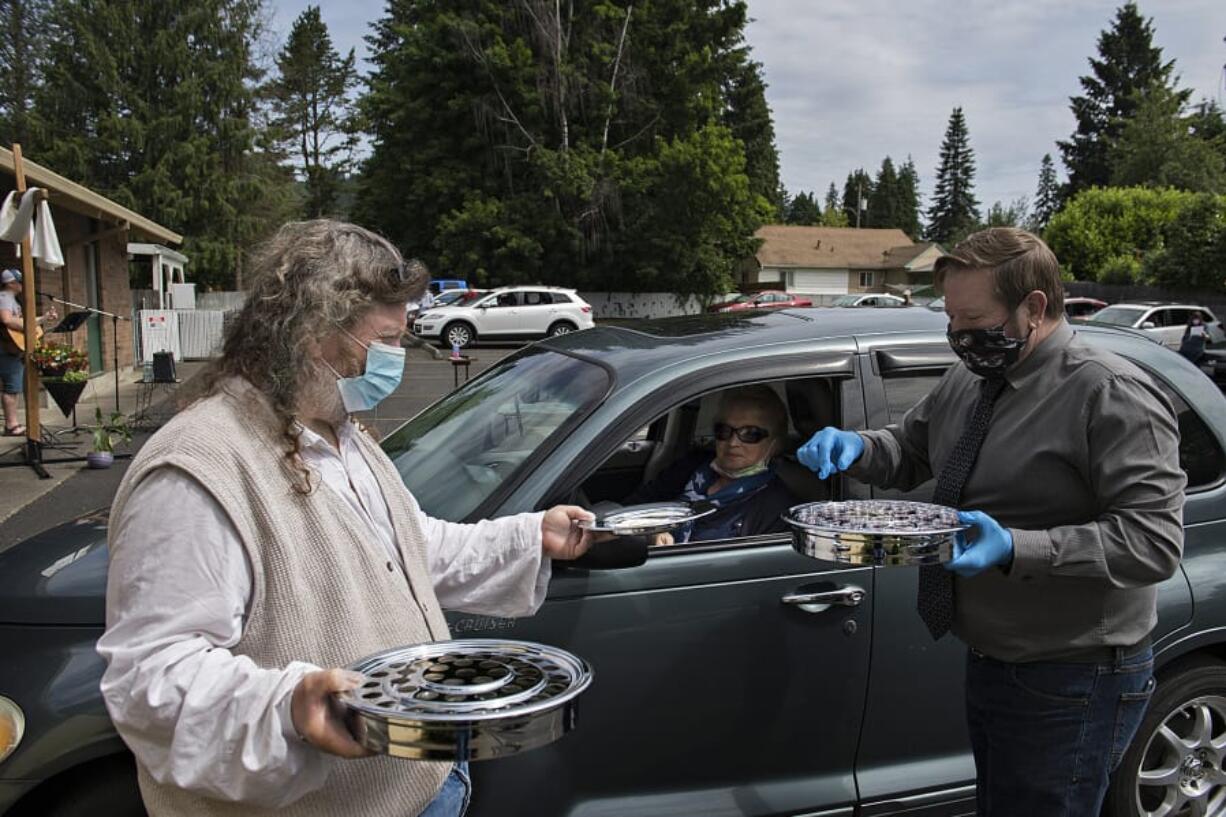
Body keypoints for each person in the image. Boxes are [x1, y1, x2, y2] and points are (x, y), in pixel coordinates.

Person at [97, 220, 595, 817]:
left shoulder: (338, 434)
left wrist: (529, 537)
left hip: (421, 784)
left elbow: (410, 549)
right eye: (385, 339)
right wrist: (287, 707)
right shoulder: (198, 469)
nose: (396, 358)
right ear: (312, 330)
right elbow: (152, 680)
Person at [797, 227, 1184, 816]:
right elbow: (913, 450)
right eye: (951, 318)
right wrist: (858, 446)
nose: (957, 335)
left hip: (1074, 674)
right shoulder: (974, 376)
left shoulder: (1111, 394)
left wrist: (1015, 547)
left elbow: (1154, 544)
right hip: (996, 658)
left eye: (973, 320)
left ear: (1033, 307)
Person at [624, 385, 797, 544]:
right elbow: (631, 509)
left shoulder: (775, 507)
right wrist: (650, 532)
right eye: (724, 431)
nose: (733, 442)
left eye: (750, 433)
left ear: (774, 443)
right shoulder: (691, 467)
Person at [0, 267, 56, 436]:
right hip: (6, 349)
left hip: (11, 350)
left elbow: (24, 322)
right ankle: (11, 425)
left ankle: (13, 424)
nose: (22, 285)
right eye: (19, 281)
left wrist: (44, 318)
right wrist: (28, 328)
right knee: (11, 387)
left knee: (14, 387)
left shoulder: (11, 299)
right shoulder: (4, 298)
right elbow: (7, 320)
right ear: (11, 283)